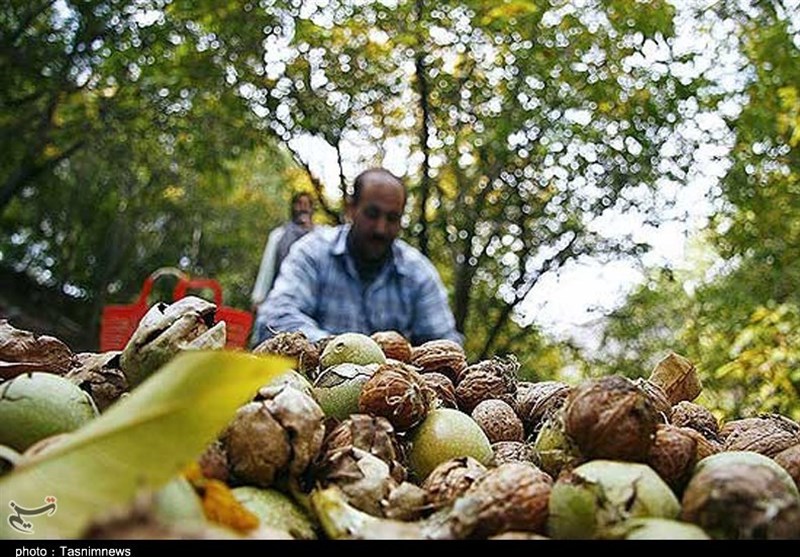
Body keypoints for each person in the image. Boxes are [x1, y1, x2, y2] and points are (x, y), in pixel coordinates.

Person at [257, 168, 461, 345]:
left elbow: (445, 344)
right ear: (350, 209)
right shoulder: (313, 252)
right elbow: (275, 319)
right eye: (372, 214)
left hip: (393, 389)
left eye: (392, 218)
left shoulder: (417, 272)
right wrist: (344, 353)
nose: (381, 229)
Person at [250, 192, 315, 345]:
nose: (303, 208)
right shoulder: (279, 235)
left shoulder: (320, 237)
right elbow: (267, 268)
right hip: (280, 299)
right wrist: (258, 298)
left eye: (307, 204)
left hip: (311, 303)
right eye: (299, 204)